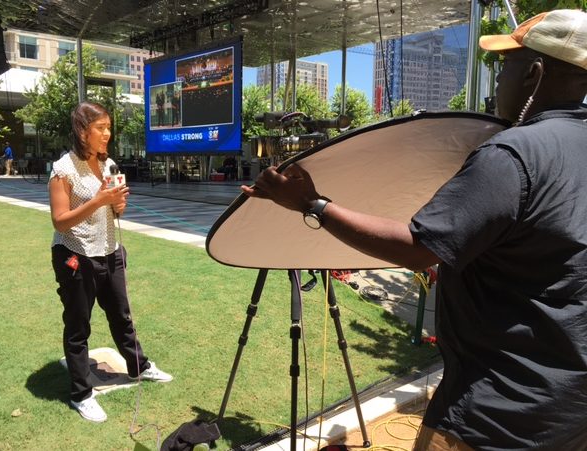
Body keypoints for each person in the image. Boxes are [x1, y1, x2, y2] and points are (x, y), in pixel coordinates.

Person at [241, 10, 587, 450]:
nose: (498, 81)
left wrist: (310, 205)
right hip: (572, 408)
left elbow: (417, 249)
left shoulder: (512, 155)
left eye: (506, 68)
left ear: (534, 73)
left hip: (497, 411)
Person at [49, 102, 173, 423]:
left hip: (110, 251)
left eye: (109, 127)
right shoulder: (63, 169)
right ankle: (82, 393)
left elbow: (116, 212)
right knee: (78, 327)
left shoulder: (109, 164)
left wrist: (117, 203)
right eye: (101, 128)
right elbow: (60, 222)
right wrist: (99, 200)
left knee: (122, 315)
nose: (108, 134)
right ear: (82, 131)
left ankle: (139, 367)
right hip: (75, 255)